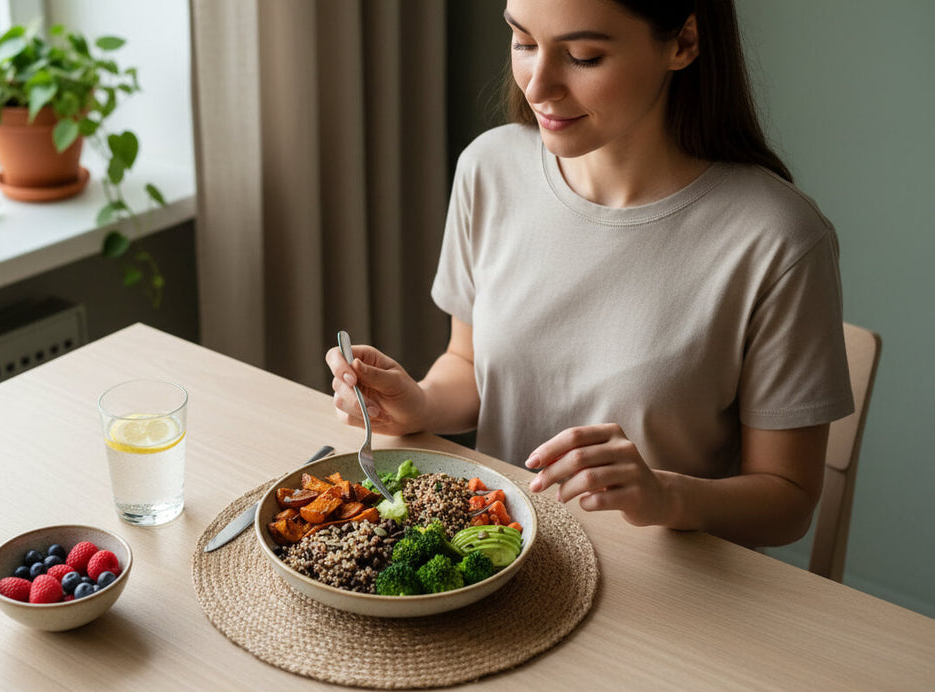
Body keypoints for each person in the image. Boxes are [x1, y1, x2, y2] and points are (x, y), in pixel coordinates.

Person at [325, 0, 854, 548]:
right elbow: (470, 363)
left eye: (582, 56)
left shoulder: (778, 238)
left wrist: (664, 496)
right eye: (524, 42)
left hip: (666, 589)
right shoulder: (491, 168)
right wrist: (421, 403)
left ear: (684, 43)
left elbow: (787, 502)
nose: (537, 87)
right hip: (496, 559)